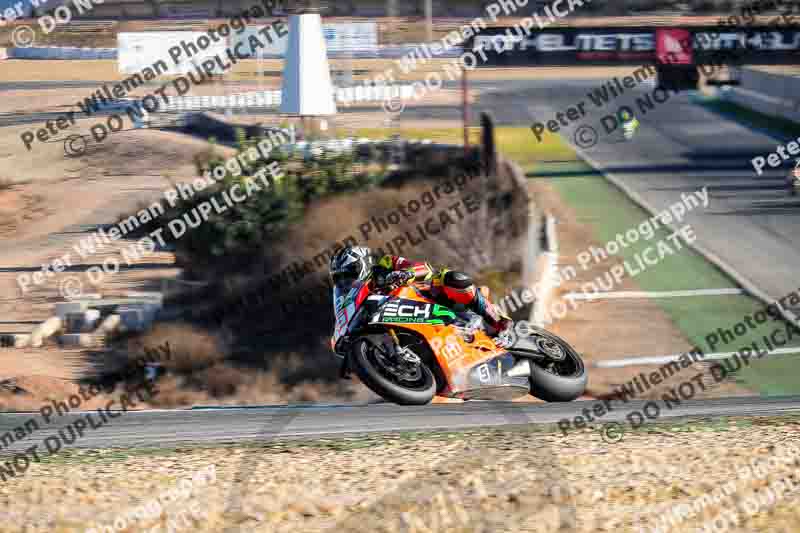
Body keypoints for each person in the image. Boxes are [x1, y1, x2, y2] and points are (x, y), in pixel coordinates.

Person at [329, 246, 512, 335]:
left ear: (363, 264)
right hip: (413, 324)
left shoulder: (385, 264)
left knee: (450, 278)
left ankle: (498, 321)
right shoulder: (357, 301)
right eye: (339, 278)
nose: (345, 281)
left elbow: (424, 268)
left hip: (431, 298)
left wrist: (405, 274)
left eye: (349, 273)